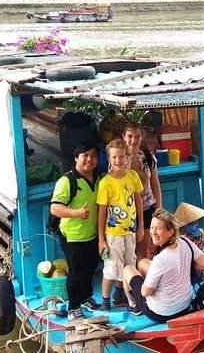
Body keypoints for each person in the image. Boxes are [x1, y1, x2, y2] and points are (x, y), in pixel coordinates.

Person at [122, 209, 204, 320]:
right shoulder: (185, 241)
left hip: (161, 313)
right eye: (152, 227)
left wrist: (147, 284)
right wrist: (182, 269)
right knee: (142, 263)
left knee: (127, 269)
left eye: (158, 228)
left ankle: (134, 306)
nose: (153, 232)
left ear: (170, 232)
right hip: (185, 306)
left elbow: (145, 292)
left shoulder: (160, 259)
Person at [49, 140, 102, 321]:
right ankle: (73, 307)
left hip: (93, 234)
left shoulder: (99, 177)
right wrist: (76, 213)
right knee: (76, 272)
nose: (90, 159)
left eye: (94, 155)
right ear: (76, 158)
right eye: (85, 155)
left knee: (90, 268)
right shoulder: (67, 181)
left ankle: (86, 298)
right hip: (73, 237)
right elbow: (55, 208)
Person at [97, 138, 144, 311]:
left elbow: (138, 201)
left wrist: (140, 226)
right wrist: (101, 239)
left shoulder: (132, 176)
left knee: (128, 265)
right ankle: (105, 302)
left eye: (121, 156)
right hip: (113, 233)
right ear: (109, 159)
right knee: (111, 268)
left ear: (126, 157)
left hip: (130, 231)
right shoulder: (105, 183)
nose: (118, 161)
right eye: (114, 157)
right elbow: (101, 213)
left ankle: (120, 296)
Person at [122, 121, 162, 260]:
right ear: (124, 137)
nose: (133, 140)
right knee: (128, 253)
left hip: (147, 207)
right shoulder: (118, 158)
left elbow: (155, 183)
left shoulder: (148, 157)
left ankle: (144, 280)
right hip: (126, 211)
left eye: (137, 137)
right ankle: (130, 280)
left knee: (143, 251)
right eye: (130, 136)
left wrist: (159, 208)